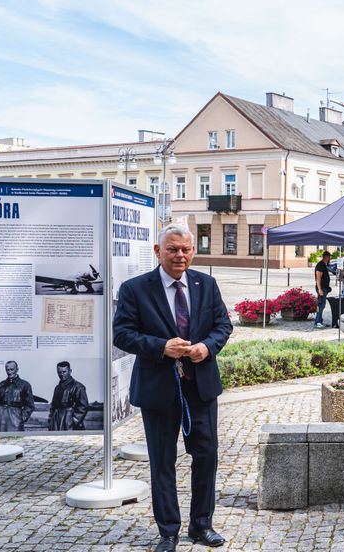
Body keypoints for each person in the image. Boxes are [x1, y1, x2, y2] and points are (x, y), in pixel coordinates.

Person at [113, 222, 233, 552]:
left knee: (206, 456)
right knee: (162, 461)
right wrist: (160, 347)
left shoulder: (206, 284)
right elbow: (121, 334)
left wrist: (207, 346)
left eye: (185, 249)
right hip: (159, 388)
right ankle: (168, 532)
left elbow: (224, 325)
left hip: (200, 385)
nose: (179, 255)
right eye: (172, 249)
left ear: (192, 251)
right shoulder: (135, 289)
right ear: (158, 251)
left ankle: (202, 525)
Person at [0, 360, 35, 432]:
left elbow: (30, 405)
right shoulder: (1, 385)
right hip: (0, 416)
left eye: (12, 369)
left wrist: (23, 417)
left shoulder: (25, 385)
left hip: (15, 417)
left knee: (14, 438)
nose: (9, 372)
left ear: (17, 370)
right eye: (7, 370)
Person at [48, 361, 90, 431]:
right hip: (56, 422)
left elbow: (83, 406)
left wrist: (73, 421)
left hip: (70, 423)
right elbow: (53, 406)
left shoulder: (78, 387)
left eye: (64, 372)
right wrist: (50, 420)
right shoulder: (57, 388)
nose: (61, 374)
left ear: (70, 371)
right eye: (59, 372)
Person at [314, 251, 333, 328]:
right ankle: (317, 322)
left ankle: (320, 321)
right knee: (320, 305)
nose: (329, 258)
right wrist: (320, 289)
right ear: (326, 257)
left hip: (324, 288)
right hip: (321, 288)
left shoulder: (324, 265)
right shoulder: (320, 265)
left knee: (322, 305)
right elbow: (318, 278)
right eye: (329, 257)